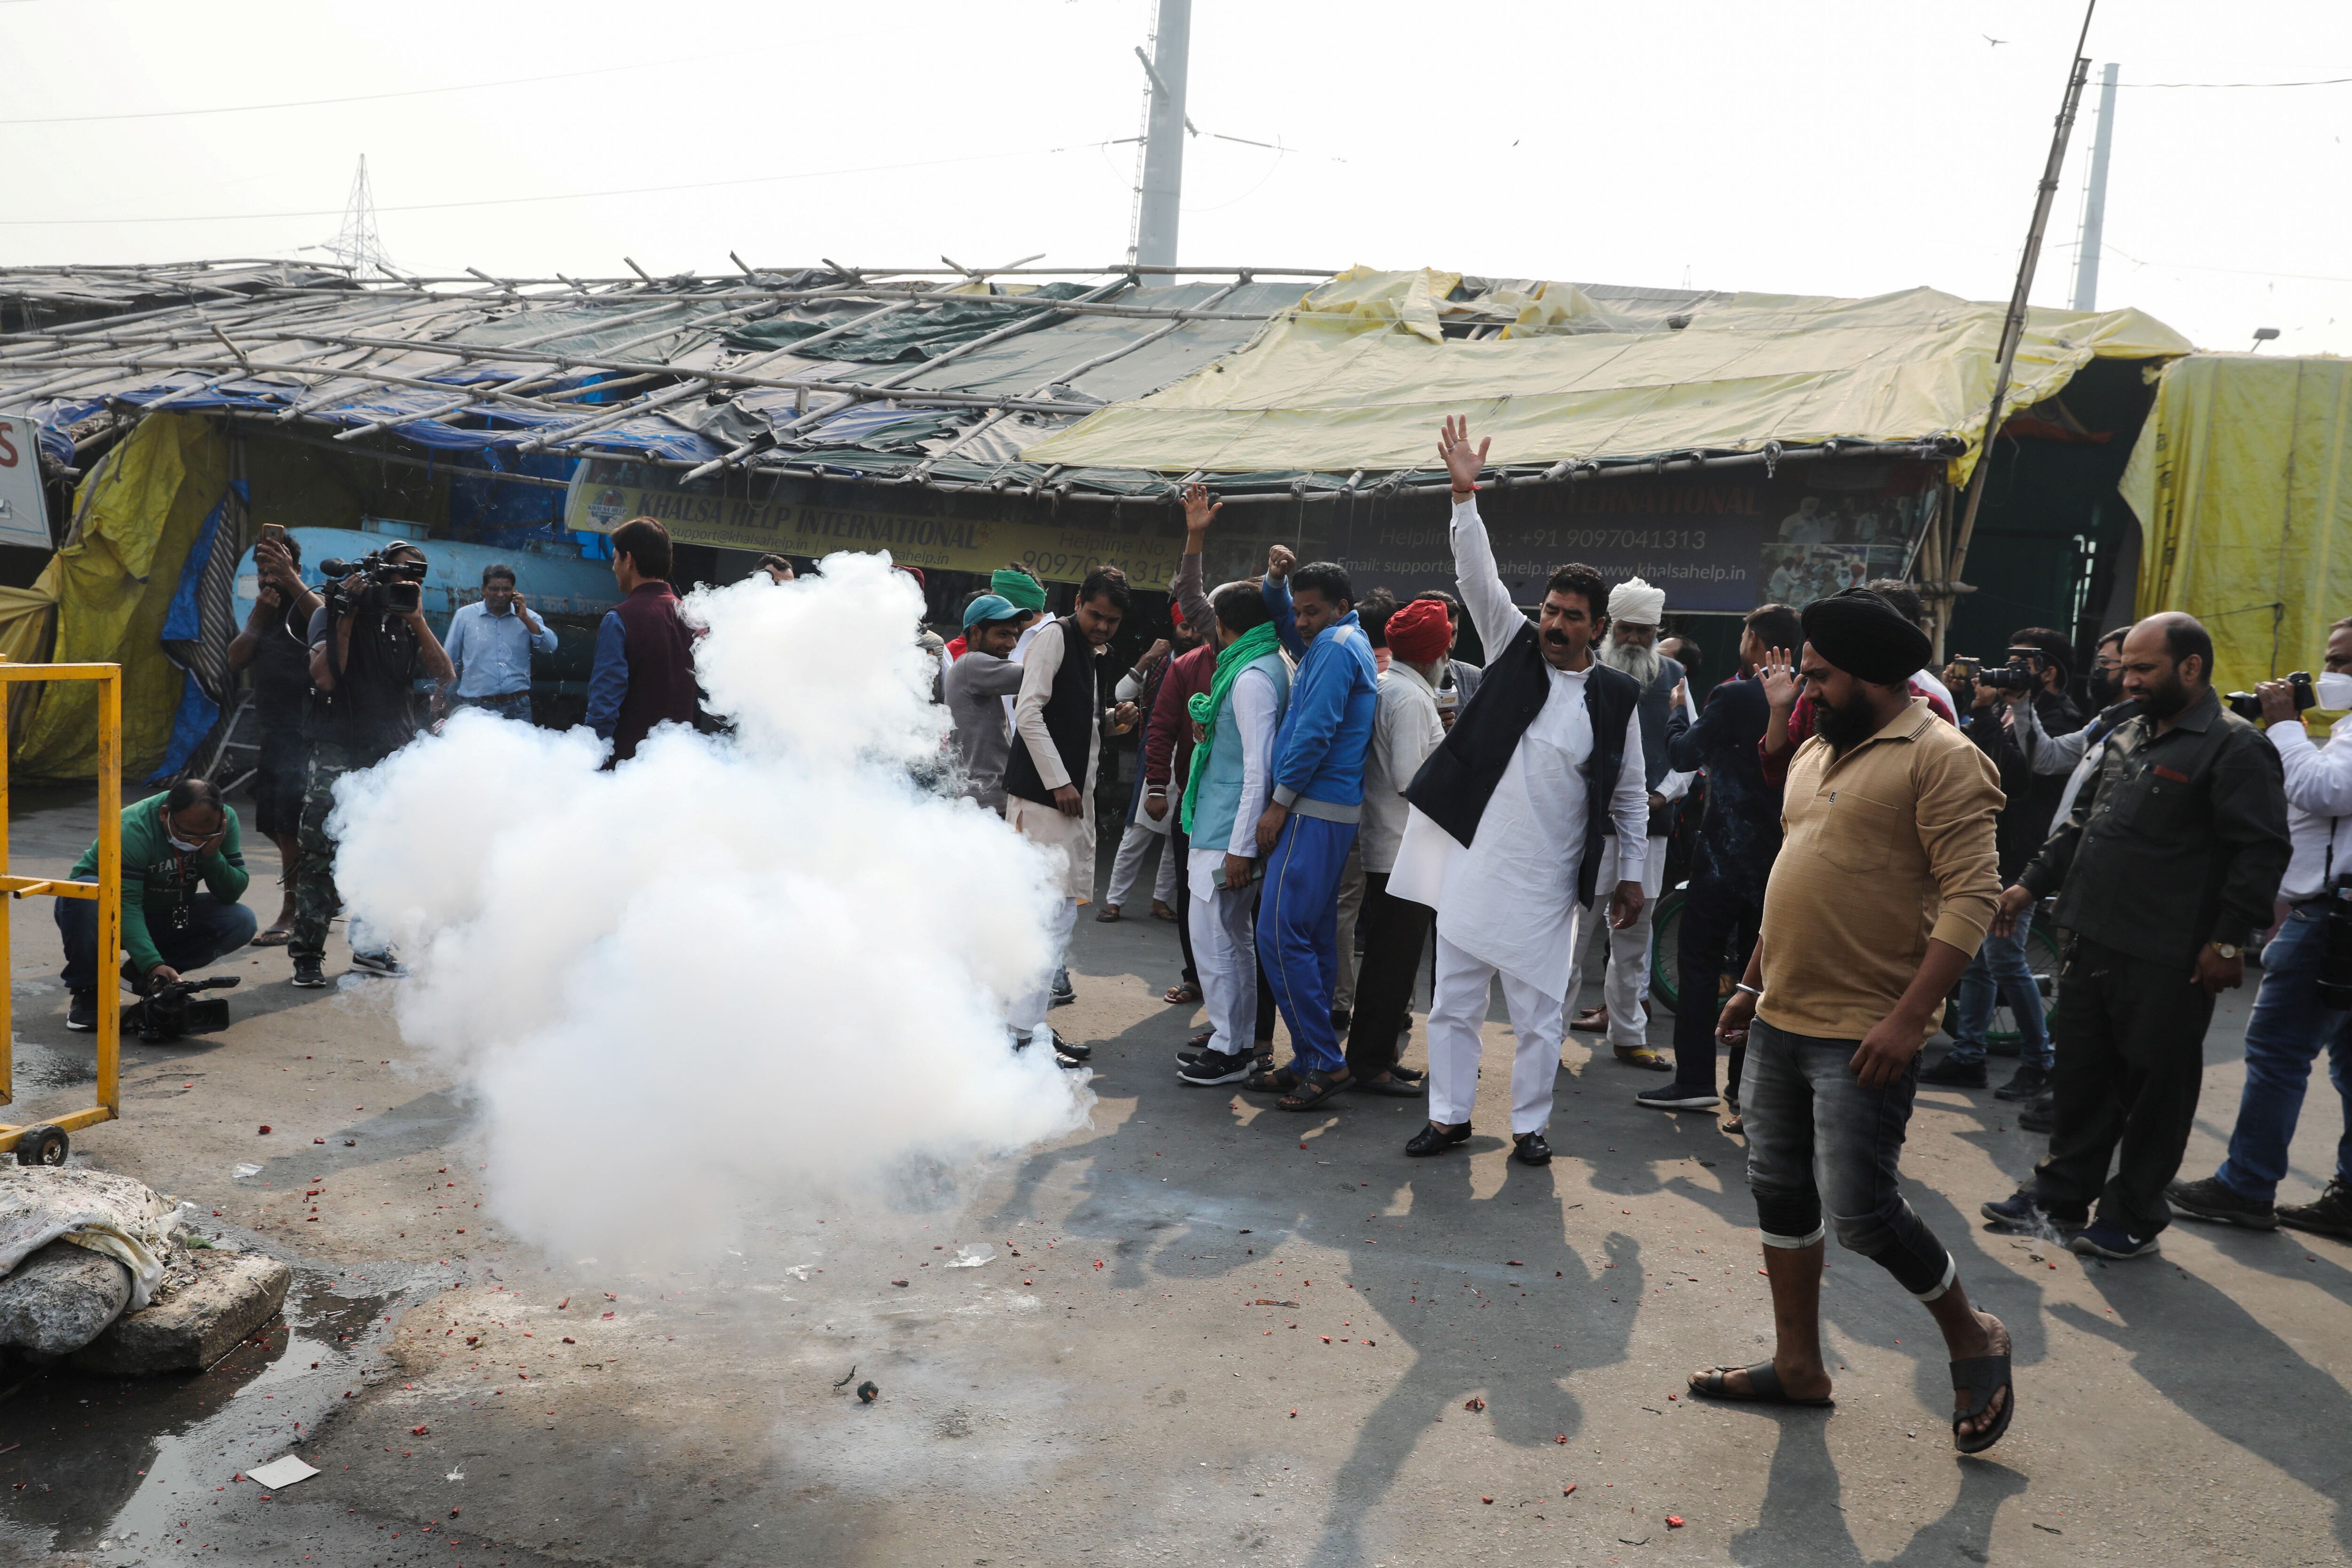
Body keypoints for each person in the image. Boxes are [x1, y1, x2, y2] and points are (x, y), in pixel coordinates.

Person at [1697, 586, 2016, 1453]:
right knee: (1779, 1189)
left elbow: (1974, 895)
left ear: (1875, 676)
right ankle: (1798, 1365)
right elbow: (1797, 872)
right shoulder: (1814, 749)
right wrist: (1752, 985)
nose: (1804, 692)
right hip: (1782, 1016)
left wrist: (1912, 1019)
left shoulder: (1942, 755)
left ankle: (1972, 1332)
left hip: (1867, 1027)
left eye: (1821, 676)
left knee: (1865, 1212)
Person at [1982, 612, 2291, 1259]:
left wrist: (2229, 942)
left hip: (2170, 953)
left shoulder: (2235, 747)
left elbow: (2259, 852)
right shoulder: (2128, 734)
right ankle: (2061, 1194)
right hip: (2092, 939)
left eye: (2144, 668)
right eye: (2126, 668)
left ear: (2192, 668)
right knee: (2082, 1078)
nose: (2129, 680)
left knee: (2156, 1091)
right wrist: (2027, 885)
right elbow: (2080, 827)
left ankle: (2133, 1215)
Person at [1389, 417, 1649, 1167]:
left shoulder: (1615, 701)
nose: (1556, 625)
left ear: (1599, 629)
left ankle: (1531, 1128)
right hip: (1477, 861)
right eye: (1551, 612)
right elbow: (1477, 578)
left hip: (1548, 880)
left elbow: (1629, 799)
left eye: (1573, 617)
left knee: (1539, 1017)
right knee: (1454, 1003)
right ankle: (1448, 1118)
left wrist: (1631, 873)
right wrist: (1463, 498)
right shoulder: (1510, 646)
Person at [2169, 618, 2352, 1240]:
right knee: (2349, 1065)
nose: (2331, 674)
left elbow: (2324, 791)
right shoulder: (2343, 732)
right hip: (2329, 912)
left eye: (2344, 661)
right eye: (2331, 658)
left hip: (2332, 919)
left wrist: (2283, 725)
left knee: (2277, 1053)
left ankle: (2246, 1185)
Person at [1636, 603, 1800, 1121]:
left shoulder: (1732, 695)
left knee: (1700, 963)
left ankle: (1692, 1080)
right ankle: (1743, 1089)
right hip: (1777, 858)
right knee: (1759, 976)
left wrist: (1673, 715)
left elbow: (1685, 755)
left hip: (1722, 857)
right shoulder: (1805, 696)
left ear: (1753, 640)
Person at [1919, 628, 2084, 1094]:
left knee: (2005, 960)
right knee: (1977, 963)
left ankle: (2038, 1060)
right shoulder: (2013, 712)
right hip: (1995, 847)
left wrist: (1987, 714)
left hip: (2022, 855)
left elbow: (2014, 773)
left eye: (2018, 665)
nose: (2006, 672)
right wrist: (1961, 700)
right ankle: (1968, 1055)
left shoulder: (2060, 718)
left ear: (2046, 672)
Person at [1244, 548, 1379, 1111]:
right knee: (1313, 942)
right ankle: (1308, 1057)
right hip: (1329, 811)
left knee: (1276, 936)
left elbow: (1314, 732)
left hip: (1310, 810)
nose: (1299, 623)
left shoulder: (1332, 648)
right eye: (1297, 611)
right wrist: (1278, 585)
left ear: (1340, 608)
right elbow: (1286, 621)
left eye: (1310, 611)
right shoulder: (1343, 641)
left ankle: (1323, 1060)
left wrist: (1277, 804)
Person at [292, 538, 454, 988]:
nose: (407, 583)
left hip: (388, 752)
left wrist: (417, 620)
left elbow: (445, 674)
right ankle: (307, 954)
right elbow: (324, 677)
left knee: (382, 853)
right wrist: (347, 617)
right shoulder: (334, 611)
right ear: (378, 571)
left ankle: (370, 949)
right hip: (338, 748)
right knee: (321, 852)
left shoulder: (403, 621)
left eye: (416, 577)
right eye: (400, 573)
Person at [2003, 625, 2136, 1134]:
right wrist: (2019, 705)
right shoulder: (2108, 721)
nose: (2098, 672)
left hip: (2110, 891)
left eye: (2109, 664)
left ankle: (2085, 1108)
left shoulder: (2156, 730)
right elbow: (2047, 757)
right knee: (2080, 999)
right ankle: (2067, 1097)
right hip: (2070, 874)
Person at [1001, 566, 1136, 1064]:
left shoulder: (1087, 650)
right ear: (1078, 601)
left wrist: (1111, 723)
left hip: (1064, 800)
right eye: (1096, 615)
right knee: (1045, 920)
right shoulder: (1054, 638)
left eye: (1112, 621)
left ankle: (1027, 1029)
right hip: (1045, 801)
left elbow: (1073, 721)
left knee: (1053, 920)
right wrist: (1058, 781)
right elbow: (1028, 713)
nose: (1102, 626)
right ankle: (1020, 1035)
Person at [1564, 578, 1690, 1067]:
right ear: (1606, 628)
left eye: (1643, 632)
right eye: (1626, 630)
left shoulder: (1673, 673)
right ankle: (1546, 1034)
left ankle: (1628, 1035)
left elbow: (1688, 752)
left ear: (1655, 632)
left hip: (1650, 830)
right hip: (1588, 831)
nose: (1634, 640)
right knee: (1572, 940)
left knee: (1634, 944)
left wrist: (1660, 795)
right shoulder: (1581, 671)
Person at [1175, 578, 1291, 1086]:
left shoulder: (1249, 676)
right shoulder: (1264, 663)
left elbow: (1256, 771)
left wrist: (1241, 849)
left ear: (1222, 626)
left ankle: (1227, 1045)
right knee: (1233, 940)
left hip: (1225, 831)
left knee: (1214, 941)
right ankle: (1238, 1043)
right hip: (1225, 826)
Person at [1343, 595, 1449, 1095]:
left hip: (1396, 843)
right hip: (1403, 848)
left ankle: (1379, 1054)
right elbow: (1413, 780)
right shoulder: (1408, 698)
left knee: (1395, 960)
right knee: (1392, 962)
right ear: (1433, 655)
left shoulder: (1397, 688)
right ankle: (1370, 1065)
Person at [60, 779, 258, 1032]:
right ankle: (88, 989)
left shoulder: (224, 822)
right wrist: (152, 961)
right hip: (102, 917)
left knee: (240, 920)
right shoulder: (131, 828)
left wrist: (212, 855)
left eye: (206, 836)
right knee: (86, 892)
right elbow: (127, 904)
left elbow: (232, 892)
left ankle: (147, 979)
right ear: (165, 815)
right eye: (188, 834)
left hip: (167, 913)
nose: (197, 843)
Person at [224, 531, 318, 947]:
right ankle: (315, 896)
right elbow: (236, 658)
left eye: (276, 570)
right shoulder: (265, 611)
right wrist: (259, 618)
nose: (268, 580)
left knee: (292, 827)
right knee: (275, 826)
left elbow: (328, 622)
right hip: (275, 733)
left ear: (295, 570)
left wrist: (291, 583)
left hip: (308, 735)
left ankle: (294, 910)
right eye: (262, 572)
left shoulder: (309, 604)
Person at [1100, 613, 1186, 923]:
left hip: (1190, 755)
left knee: (1175, 835)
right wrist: (1147, 657)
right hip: (1156, 752)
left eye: (1194, 627)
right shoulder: (1161, 663)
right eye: (1183, 626)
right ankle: (1114, 901)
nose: (1189, 633)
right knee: (1137, 831)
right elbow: (1123, 695)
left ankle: (1160, 901)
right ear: (1175, 628)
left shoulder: (1210, 663)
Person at [939, 593, 1028, 811]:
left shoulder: (977, 671)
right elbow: (1036, 676)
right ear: (977, 633)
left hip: (986, 801)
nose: (1012, 644)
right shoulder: (972, 663)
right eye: (1003, 635)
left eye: (1015, 635)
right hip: (985, 804)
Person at [441, 564, 556, 724]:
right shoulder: (465, 616)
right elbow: (448, 660)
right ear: (484, 589)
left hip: (517, 707)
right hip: (476, 707)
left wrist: (524, 618)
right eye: (494, 589)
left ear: (514, 591)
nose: (501, 595)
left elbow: (550, 647)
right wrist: (439, 695)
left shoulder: (528, 617)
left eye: (506, 589)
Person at [1410, 589, 1482, 729]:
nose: (1448, 643)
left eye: (1453, 633)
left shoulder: (1475, 678)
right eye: (1441, 634)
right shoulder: (1398, 680)